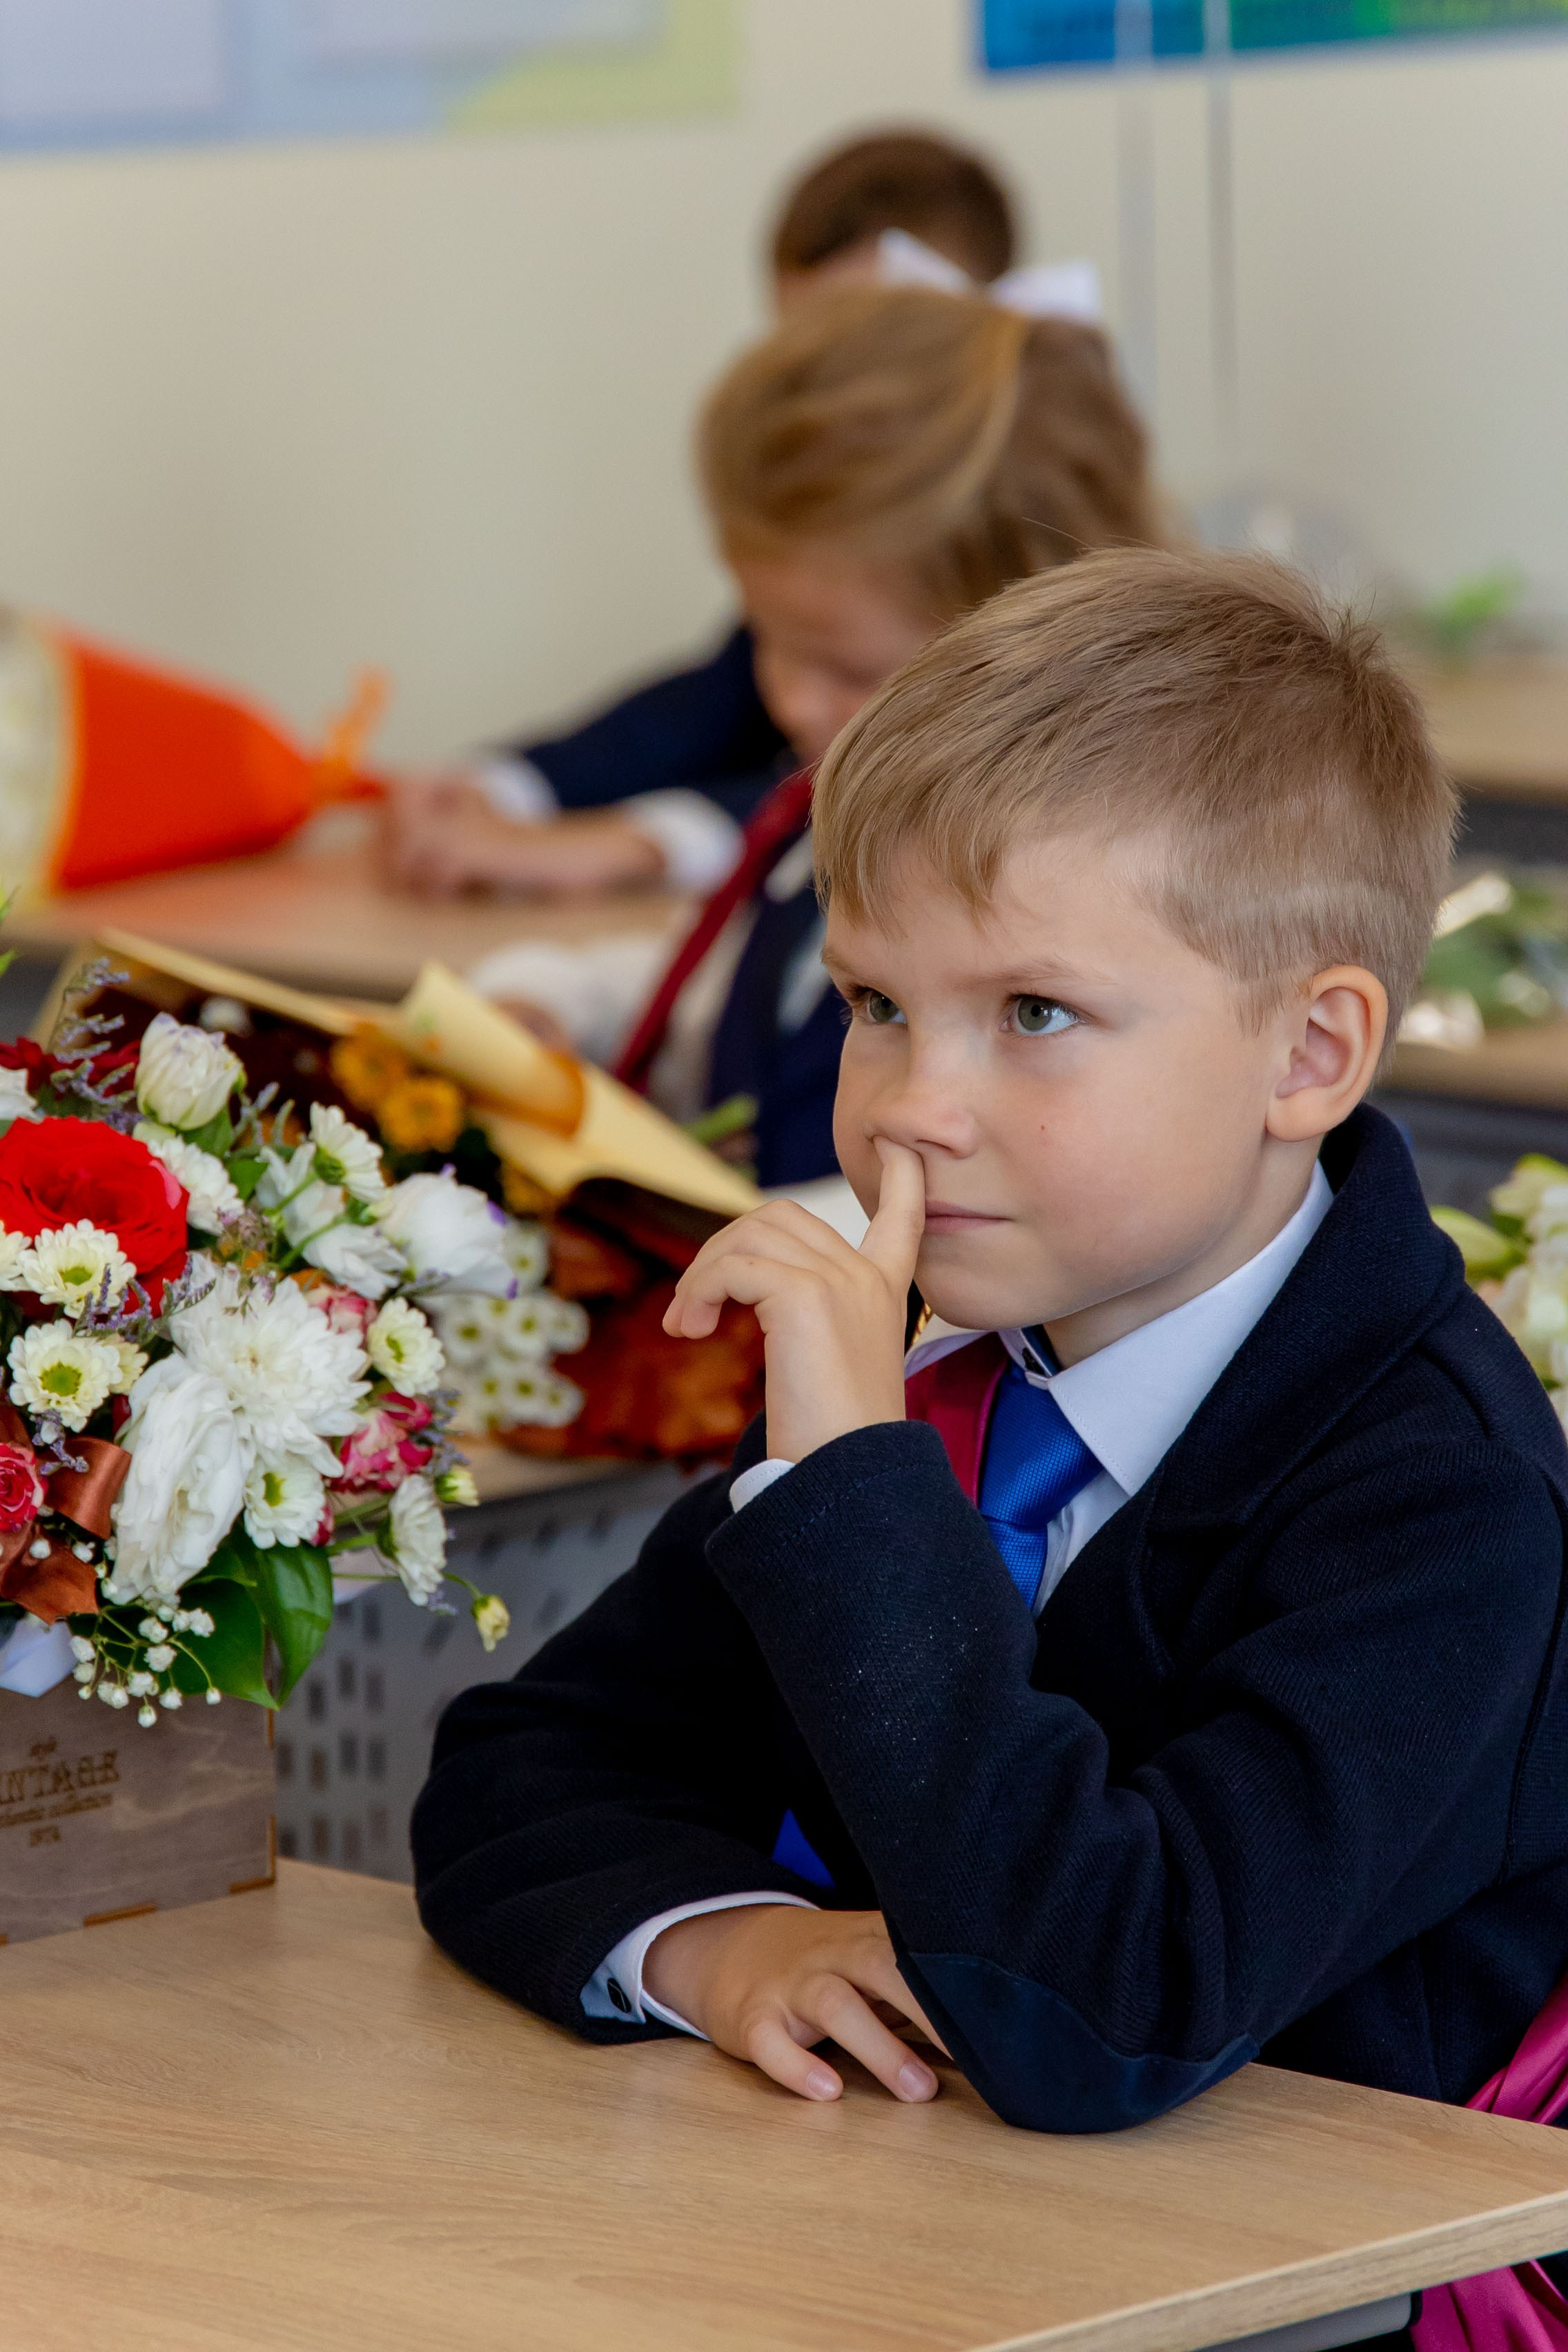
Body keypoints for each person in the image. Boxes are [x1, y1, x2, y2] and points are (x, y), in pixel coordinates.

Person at [412, 551, 1568, 2222]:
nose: (905, 1107)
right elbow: (524, 1765)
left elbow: (1105, 2003)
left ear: (1308, 1053)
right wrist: (722, 1941)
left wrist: (854, 1497)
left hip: (1299, 2299)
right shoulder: (946, 1372)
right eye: (877, 1003)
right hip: (930, 2244)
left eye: (1031, 1011)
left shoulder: (1439, 1500)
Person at [469, 282, 1157, 1184]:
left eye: (850, 672)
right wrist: (563, 1001)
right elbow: (739, 987)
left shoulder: (1053, 928)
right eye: (770, 644)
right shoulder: (829, 812)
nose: (791, 702)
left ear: (1034, 651)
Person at [380, 128, 1026, 903]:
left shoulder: (1034, 539)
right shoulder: (815, 573)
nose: (815, 390)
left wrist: (631, 845)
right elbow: (702, 709)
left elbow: (917, 781)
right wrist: (498, 787)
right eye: (795, 349)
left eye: (861, 350)